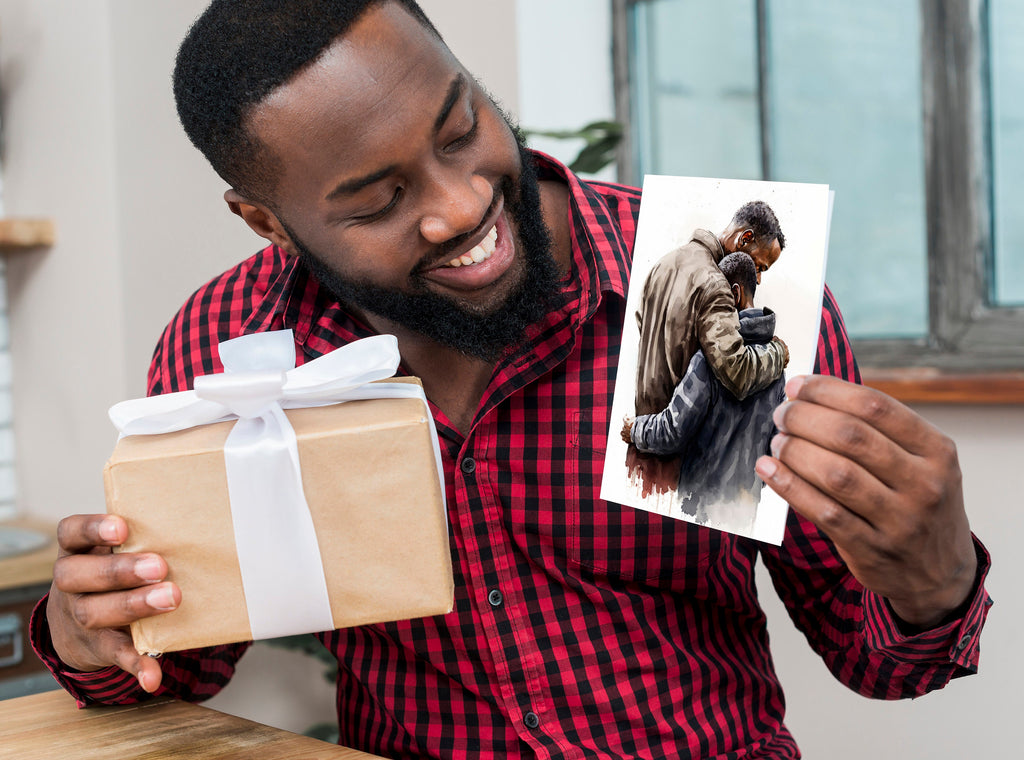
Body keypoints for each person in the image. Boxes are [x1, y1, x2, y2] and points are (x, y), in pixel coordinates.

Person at [32, 2, 991, 758]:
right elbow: (182, 667)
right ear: (266, 223)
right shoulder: (233, 345)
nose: (459, 208)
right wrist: (93, 634)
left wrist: (933, 574)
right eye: (378, 200)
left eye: (460, 130)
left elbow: (879, 661)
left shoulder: (711, 294)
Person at [629, 201, 789, 496]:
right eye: (760, 266)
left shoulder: (662, 265)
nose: (759, 277)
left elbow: (642, 334)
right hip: (677, 469)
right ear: (745, 239)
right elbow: (737, 373)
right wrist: (778, 353)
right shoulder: (716, 284)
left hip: (640, 455)